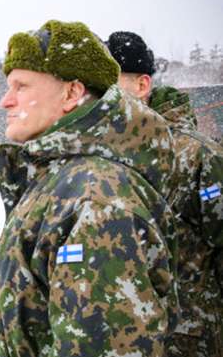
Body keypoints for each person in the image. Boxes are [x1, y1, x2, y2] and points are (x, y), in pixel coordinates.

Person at [0, 20, 179, 356]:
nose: (6, 101)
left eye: (21, 86)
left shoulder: (96, 196)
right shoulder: (57, 181)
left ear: (71, 93)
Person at [110, 30, 223, 356]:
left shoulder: (197, 156)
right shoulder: (100, 158)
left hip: (187, 340)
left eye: (110, 84)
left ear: (142, 85)